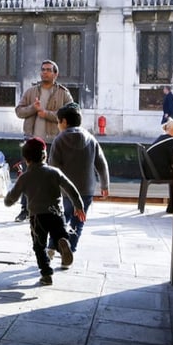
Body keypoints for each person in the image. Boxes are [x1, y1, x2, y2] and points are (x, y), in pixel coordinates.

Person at [4, 137, 86, 285]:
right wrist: (78, 206)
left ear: (26, 158)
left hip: (37, 217)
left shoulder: (25, 178)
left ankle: (46, 274)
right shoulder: (54, 172)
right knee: (58, 234)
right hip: (56, 213)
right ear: (44, 155)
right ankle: (63, 241)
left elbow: (13, 196)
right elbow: (71, 189)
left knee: (39, 246)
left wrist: (8, 200)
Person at [12, 60, 74, 222]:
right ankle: (25, 210)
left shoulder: (64, 93)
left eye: (48, 70)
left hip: (54, 141)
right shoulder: (31, 91)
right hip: (32, 141)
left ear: (55, 74)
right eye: (42, 70)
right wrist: (34, 108)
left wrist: (46, 114)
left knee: (53, 177)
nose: (44, 72)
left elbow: (71, 116)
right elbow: (19, 111)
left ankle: (53, 209)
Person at [47, 103, 110, 261]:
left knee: (59, 218)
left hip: (65, 191)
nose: (57, 125)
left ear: (65, 122)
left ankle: (52, 247)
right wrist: (105, 185)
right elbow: (101, 163)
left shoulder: (59, 140)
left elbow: (53, 167)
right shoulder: (90, 139)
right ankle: (70, 251)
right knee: (78, 222)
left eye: (58, 121)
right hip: (86, 189)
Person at [146, 118, 173, 213]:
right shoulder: (171, 141)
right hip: (156, 173)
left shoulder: (162, 138)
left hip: (149, 171)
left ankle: (172, 207)